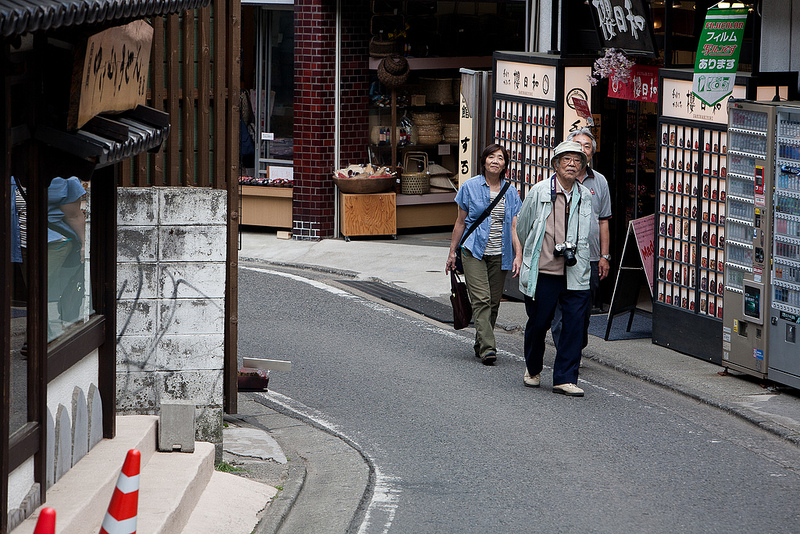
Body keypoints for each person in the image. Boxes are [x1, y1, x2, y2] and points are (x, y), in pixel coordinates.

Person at [517, 140, 593, 396]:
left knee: (573, 326)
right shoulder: (539, 192)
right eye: (566, 160)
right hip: (544, 271)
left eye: (577, 161)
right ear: (556, 164)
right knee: (539, 324)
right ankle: (533, 367)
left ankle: (565, 378)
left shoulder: (585, 196)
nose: (572, 164)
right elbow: (522, 227)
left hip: (575, 271)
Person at [446, 143, 522, 365]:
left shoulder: (511, 191)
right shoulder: (469, 187)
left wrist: (518, 255)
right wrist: (452, 252)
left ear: (505, 164)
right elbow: (460, 222)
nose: (495, 161)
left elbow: (514, 227)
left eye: (500, 158)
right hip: (473, 250)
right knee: (482, 299)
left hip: (501, 253)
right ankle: (489, 348)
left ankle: (480, 342)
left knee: (494, 303)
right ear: (484, 160)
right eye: (491, 156)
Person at [551, 127, 612, 350]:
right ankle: (564, 350)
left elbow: (604, 220)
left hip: (590, 255)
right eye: (578, 145)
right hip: (559, 253)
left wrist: (604, 256)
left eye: (587, 146)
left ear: (591, 154)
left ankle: (576, 346)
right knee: (560, 307)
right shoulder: (554, 181)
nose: (582, 150)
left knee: (583, 308)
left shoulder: (600, 182)